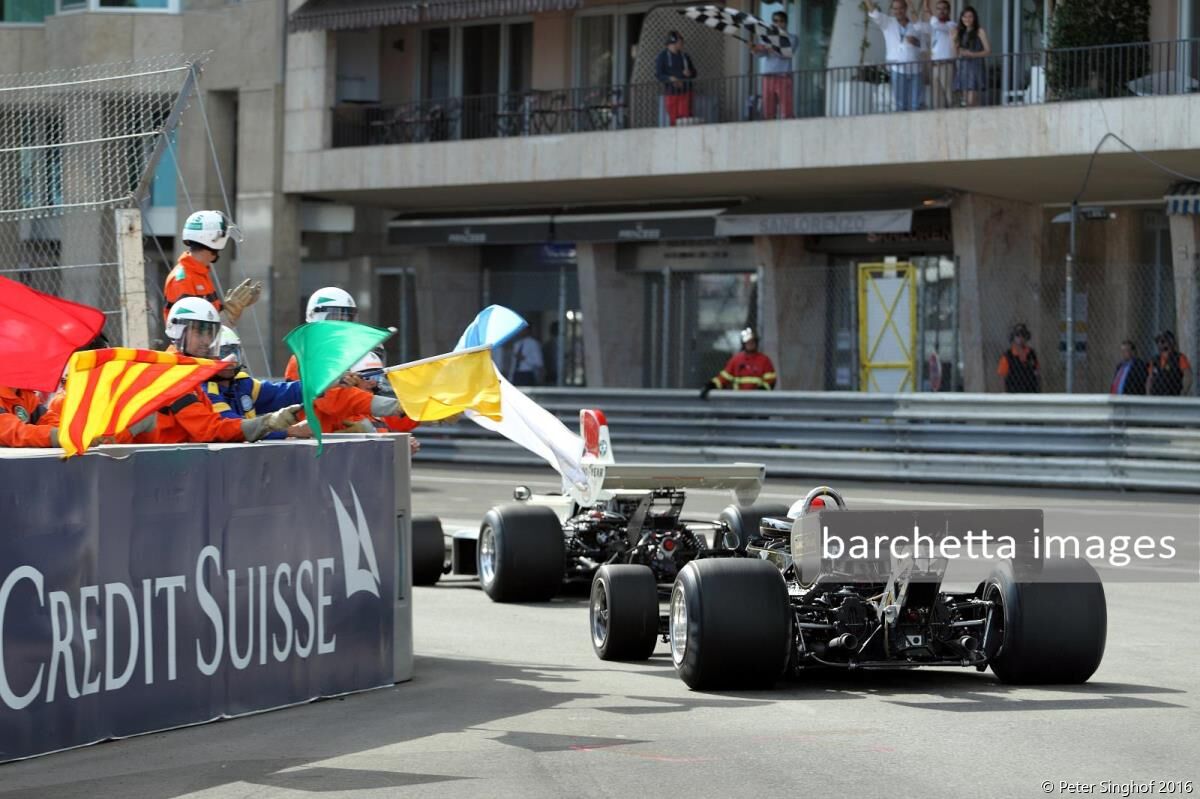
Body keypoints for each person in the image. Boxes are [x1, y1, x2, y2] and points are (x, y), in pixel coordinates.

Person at [137, 298, 305, 444]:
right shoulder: (173, 375)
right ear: (177, 331)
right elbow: (210, 430)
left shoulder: (189, 374)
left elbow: (279, 393)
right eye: (198, 331)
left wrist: (321, 385)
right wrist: (269, 424)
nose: (205, 341)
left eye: (211, 333)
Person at [206, 326, 306, 440]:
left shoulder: (241, 383)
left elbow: (279, 393)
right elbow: (234, 428)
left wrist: (314, 387)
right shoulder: (204, 390)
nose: (231, 360)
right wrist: (291, 431)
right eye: (223, 354)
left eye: (234, 352)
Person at [164, 210, 262, 327]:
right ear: (213, 238)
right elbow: (192, 332)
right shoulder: (182, 280)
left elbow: (211, 318)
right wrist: (229, 313)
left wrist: (234, 307)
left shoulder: (199, 274)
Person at [284, 286, 359, 381]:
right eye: (335, 318)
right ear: (315, 316)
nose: (341, 325)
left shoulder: (355, 354)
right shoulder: (303, 359)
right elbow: (298, 392)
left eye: (345, 319)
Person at [868, 0, 929, 112]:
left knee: (916, 104)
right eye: (895, 9)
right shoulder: (888, 22)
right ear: (892, 10)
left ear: (905, 9)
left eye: (900, 8)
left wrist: (917, 42)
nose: (898, 11)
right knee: (900, 104)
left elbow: (924, 47)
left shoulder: (915, 25)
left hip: (915, 70)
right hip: (897, 69)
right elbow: (874, 12)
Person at [700, 327, 777, 396]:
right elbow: (723, 378)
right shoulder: (736, 360)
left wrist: (760, 392)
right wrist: (710, 386)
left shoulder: (764, 360)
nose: (750, 344)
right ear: (743, 344)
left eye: (752, 342)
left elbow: (770, 381)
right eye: (748, 342)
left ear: (756, 343)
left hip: (758, 400)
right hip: (739, 399)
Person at [754, 11, 798, 120]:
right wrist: (754, 49)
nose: (777, 23)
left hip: (783, 76)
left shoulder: (792, 38)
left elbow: (787, 54)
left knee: (786, 109)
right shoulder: (767, 38)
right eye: (775, 21)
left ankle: (789, 130)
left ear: (785, 23)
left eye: (780, 21)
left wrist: (771, 47)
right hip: (768, 77)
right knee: (768, 110)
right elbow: (761, 54)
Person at [655, 31, 697, 127]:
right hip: (671, 93)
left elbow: (694, 73)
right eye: (679, 41)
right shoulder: (662, 57)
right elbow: (659, 75)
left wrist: (689, 73)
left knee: (686, 118)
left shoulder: (685, 56)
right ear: (672, 42)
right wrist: (670, 79)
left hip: (686, 92)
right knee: (674, 119)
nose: (682, 44)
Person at [953, 5, 990, 107]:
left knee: (971, 99)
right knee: (965, 101)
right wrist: (953, 40)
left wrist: (972, 54)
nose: (967, 19)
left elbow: (988, 51)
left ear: (974, 18)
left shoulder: (979, 31)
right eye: (964, 16)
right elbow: (956, 54)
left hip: (975, 66)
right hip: (963, 67)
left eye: (970, 16)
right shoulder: (960, 33)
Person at [923, 0, 957, 109]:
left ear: (949, 11)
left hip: (946, 65)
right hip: (934, 66)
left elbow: (936, 24)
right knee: (937, 101)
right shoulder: (935, 26)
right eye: (939, 9)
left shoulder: (952, 25)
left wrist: (927, 8)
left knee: (951, 98)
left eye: (944, 8)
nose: (941, 11)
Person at [1146, 330, 1192, 396]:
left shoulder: (1179, 357)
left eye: (1163, 341)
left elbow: (1188, 375)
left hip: (1173, 394)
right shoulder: (1155, 360)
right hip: (1156, 395)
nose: (1160, 344)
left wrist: (1183, 392)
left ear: (1171, 342)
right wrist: (1148, 393)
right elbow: (1150, 378)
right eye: (1158, 342)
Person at [997, 322, 1039, 393]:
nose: (1020, 338)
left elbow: (1037, 372)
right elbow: (1002, 376)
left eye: (1023, 335)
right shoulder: (1007, 356)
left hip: (1031, 393)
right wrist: (1004, 394)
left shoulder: (1031, 354)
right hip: (1013, 393)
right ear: (1013, 338)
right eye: (1017, 335)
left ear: (1026, 337)